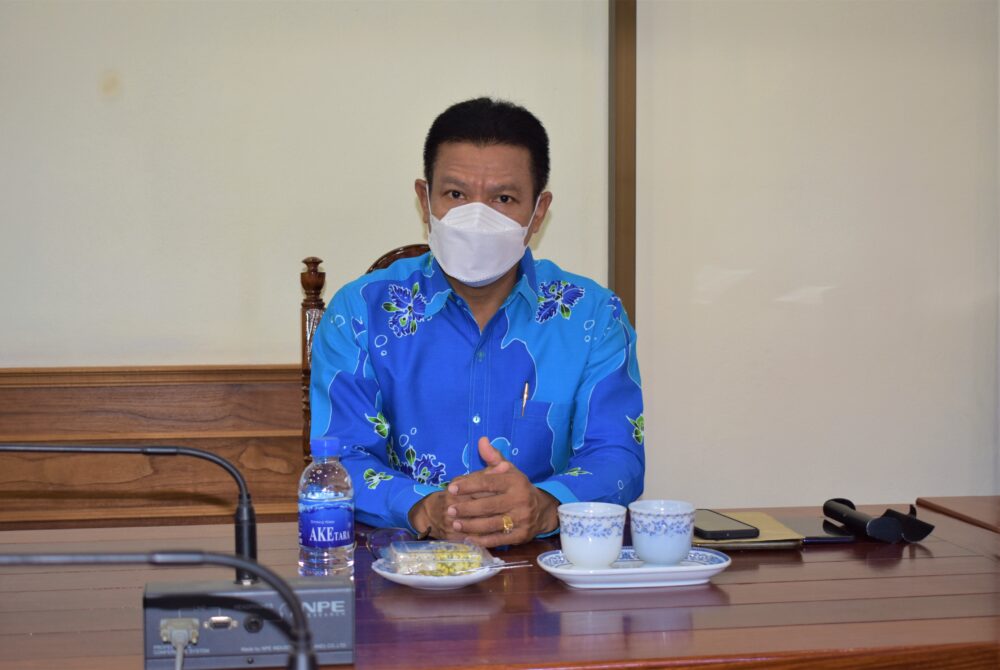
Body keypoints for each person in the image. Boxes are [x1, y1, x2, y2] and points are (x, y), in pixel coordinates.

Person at [310, 97, 644, 548]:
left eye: (503, 198)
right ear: (424, 199)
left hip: (549, 567)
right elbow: (339, 457)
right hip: (404, 568)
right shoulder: (359, 312)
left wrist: (544, 505)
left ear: (538, 211)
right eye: (456, 195)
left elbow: (618, 456)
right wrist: (423, 508)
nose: (476, 217)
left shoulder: (593, 316)